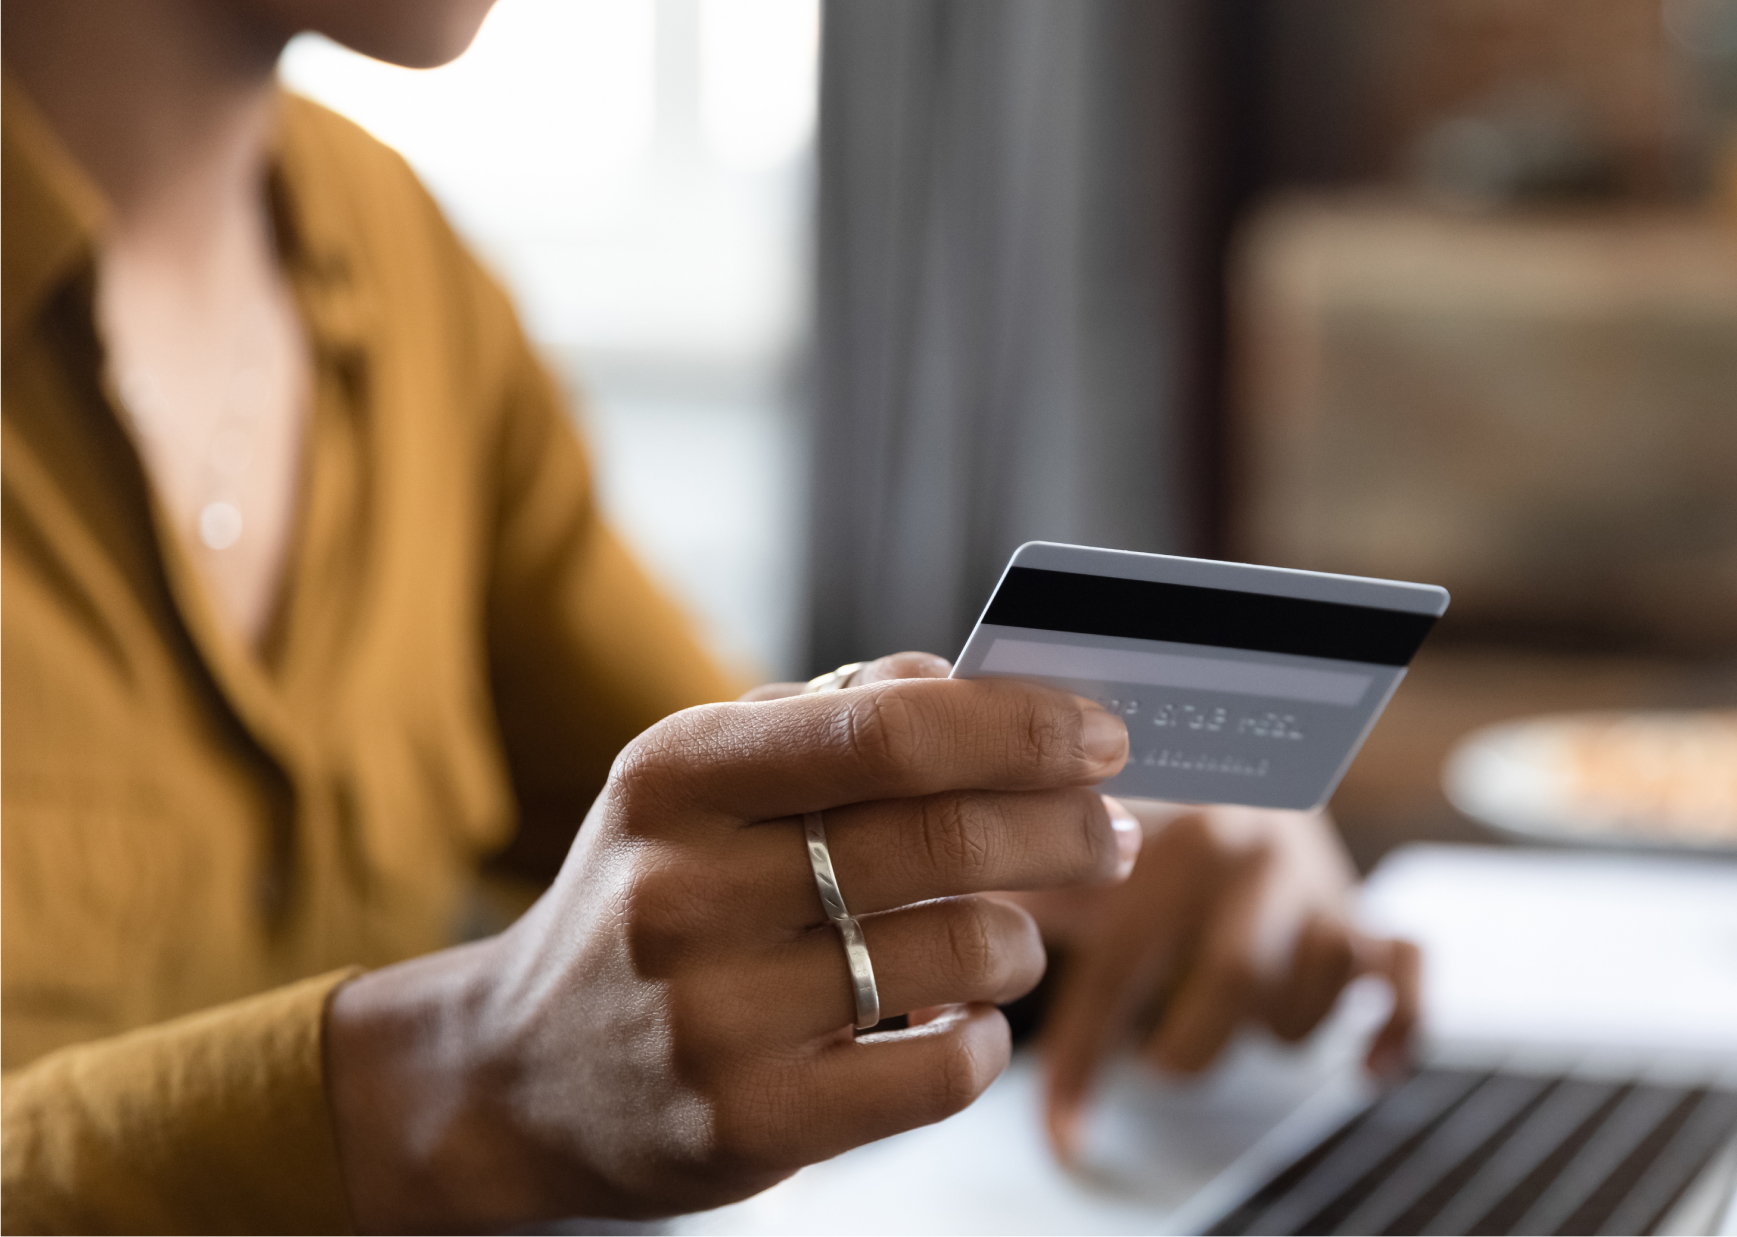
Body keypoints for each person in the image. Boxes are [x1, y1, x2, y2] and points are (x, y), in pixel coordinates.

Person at [0, 0, 1418, 1231]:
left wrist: (1135, 838)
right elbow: (537, 1025)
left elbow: (729, 841)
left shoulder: (400, 267)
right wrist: (442, 1082)